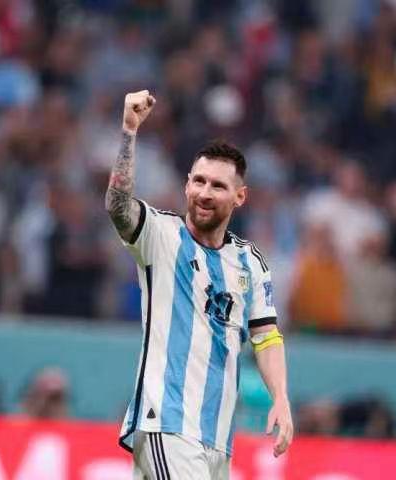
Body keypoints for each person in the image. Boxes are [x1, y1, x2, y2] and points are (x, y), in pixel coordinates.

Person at [106, 91, 293, 479]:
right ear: (186, 185)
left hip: (217, 439)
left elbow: (266, 336)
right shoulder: (160, 235)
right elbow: (118, 207)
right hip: (167, 422)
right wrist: (129, 131)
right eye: (199, 182)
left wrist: (281, 397)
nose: (205, 193)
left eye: (218, 186)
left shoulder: (249, 263)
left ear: (240, 196)